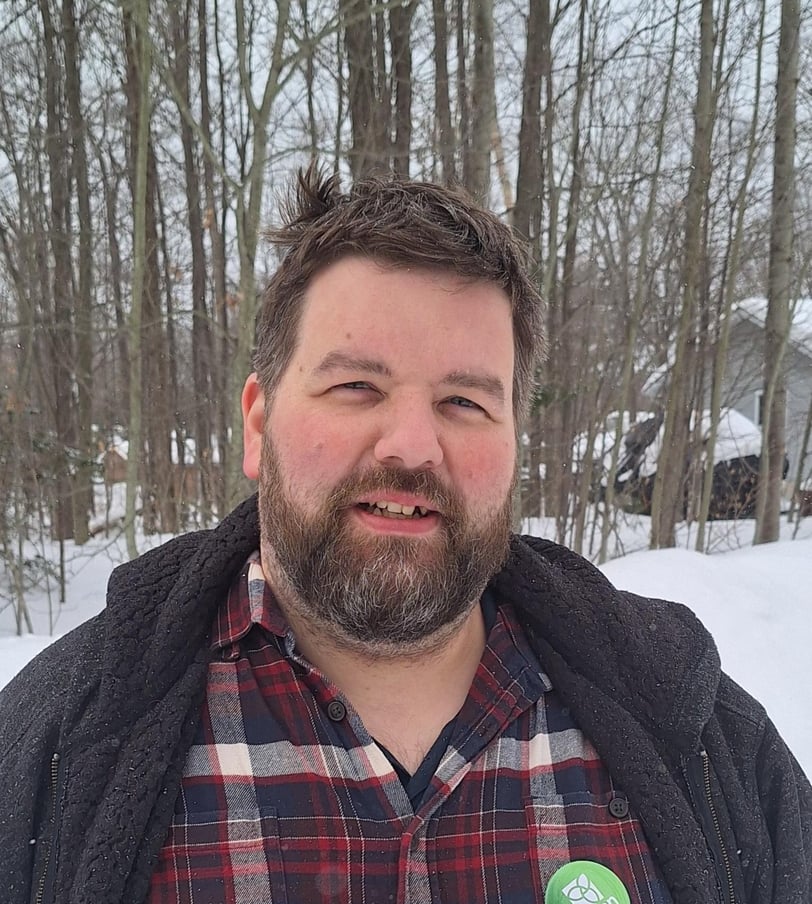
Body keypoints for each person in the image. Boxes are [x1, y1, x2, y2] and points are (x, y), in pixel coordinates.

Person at [1, 166, 809, 904]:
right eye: (357, 385)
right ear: (258, 425)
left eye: (465, 402)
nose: (413, 446)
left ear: (514, 441)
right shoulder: (50, 757)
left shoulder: (704, 745)